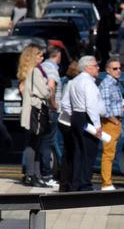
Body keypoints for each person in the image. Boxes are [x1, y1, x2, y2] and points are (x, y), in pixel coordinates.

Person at [61, 55, 105, 191]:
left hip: (76, 117)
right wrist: (97, 125)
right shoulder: (88, 83)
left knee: (78, 151)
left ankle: (76, 182)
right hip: (87, 117)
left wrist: (74, 114)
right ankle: (85, 183)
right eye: (95, 65)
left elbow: (64, 103)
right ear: (86, 68)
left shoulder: (73, 81)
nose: (98, 68)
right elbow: (91, 106)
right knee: (89, 152)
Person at [17, 44, 51, 187]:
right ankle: (32, 175)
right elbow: (45, 92)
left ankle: (35, 175)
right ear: (32, 56)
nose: (42, 58)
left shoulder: (29, 71)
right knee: (34, 143)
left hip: (32, 111)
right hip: (35, 111)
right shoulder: (36, 72)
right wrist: (49, 88)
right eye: (40, 55)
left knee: (34, 143)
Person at [98, 59, 124, 190]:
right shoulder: (107, 85)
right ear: (108, 70)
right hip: (110, 123)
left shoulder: (115, 84)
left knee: (111, 153)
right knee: (108, 153)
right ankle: (106, 183)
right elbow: (104, 109)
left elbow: (113, 104)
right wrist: (115, 120)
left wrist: (123, 110)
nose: (118, 71)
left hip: (116, 121)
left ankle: (108, 181)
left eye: (119, 68)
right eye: (115, 68)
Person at [39, 45, 62, 188]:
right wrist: (53, 103)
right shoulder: (53, 69)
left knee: (38, 141)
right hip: (51, 110)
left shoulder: (41, 66)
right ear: (58, 55)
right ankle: (47, 174)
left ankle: (34, 172)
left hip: (41, 109)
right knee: (48, 142)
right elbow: (52, 86)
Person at [57, 61, 81, 192]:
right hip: (68, 123)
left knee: (69, 153)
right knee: (70, 153)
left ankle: (66, 183)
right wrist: (74, 117)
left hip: (67, 122)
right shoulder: (72, 84)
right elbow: (65, 104)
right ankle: (67, 183)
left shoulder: (70, 82)